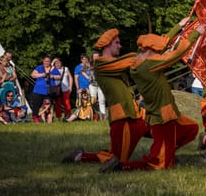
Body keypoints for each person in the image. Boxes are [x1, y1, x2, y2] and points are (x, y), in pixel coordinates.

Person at [98, 18, 205, 173]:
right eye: (155, 52)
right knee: (158, 165)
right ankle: (121, 166)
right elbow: (175, 54)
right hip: (163, 117)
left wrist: (179, 27)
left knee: (190, 129)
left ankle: (166, 153)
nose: (158, 53)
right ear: (149, 51)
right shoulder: (149, 65)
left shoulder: (138, 61)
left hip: (166, 115)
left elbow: (160, 45)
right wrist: (196, 33)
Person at [62, 29, 149, 165]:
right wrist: (146, 51)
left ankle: (164, 156)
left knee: (165, 128)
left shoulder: (115, 63)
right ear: (108, 44)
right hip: (122, 118)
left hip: (134, 113)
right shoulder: (101, 64)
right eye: (117, 43)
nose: (120, 46)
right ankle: (80, 156)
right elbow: (131, 59)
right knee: (116, 159)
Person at [30, 56, 61, 123]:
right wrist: (42, 75)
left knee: (49, 105)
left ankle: (48, 117)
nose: (46, 62)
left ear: (50, 62)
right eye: (45, 61)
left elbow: (59, 77)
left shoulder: (53, 69)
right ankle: (35, 117)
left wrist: (52, 76)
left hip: (49, 91)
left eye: (48, 61)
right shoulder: (39, 67)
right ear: (43, 61)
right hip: (38, 90)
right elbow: (32, 75)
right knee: (36, 105)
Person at [88, 52, 106, 120]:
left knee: (102, 100)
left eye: (97, 56)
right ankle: (95, 115)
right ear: (92, 57)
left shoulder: (103, 63)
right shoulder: (89, 64)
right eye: (94, 56)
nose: (96, 57)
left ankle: (103, 116)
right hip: (92, 85)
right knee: (93, 100)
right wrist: (87, 76)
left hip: (101, 84)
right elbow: (82, 71)